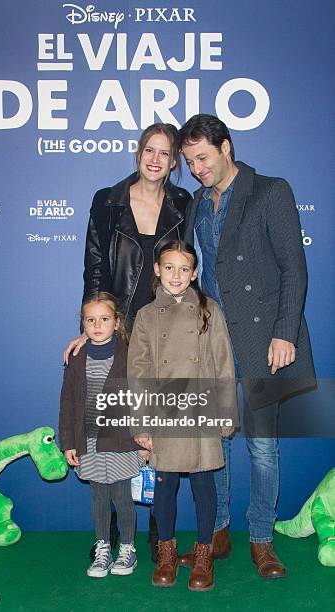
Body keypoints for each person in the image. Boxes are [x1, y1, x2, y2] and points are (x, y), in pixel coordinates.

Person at [180, 113, 316, 578]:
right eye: (190, 161)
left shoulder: (271, 191)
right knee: (215, 441)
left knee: (262, 447)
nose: (197, 168)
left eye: (202, 158)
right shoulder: (197, 203)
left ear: (226, 147)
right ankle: (217, 533)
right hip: (214, 342)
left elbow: (294, 270)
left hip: (263, 340)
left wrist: (285, 331)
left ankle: (261, 539)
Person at [64, 123, 192, 560]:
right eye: (149, 150)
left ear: (175, 161)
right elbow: (94, 265)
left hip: (164, 328)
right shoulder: (107, 200)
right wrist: (91, 325)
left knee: (160, 432)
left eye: (165, 153)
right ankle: (114, 537)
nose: (156, 159)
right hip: (119, 332)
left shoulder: (183, 203)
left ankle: (161, 537)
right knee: (114, 431)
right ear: (137, 154)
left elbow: (187, 267)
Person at [128, 240, 237, 591]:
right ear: (157, 270)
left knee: (205, 483)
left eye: (184, 269)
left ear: (194, 274)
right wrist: (141, 422)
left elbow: (223, 364)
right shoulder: (145, 316)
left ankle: (204, 554)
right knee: (166, 484)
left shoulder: (210, 309)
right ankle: (167, 552)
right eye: (169, 267)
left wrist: (226, 412)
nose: (176, 275)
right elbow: (139, 372)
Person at [59, 291, 146, 578]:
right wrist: (68, 443)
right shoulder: (75, 357)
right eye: (90, 320)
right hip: (90, 442)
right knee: (98, 497)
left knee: (122, 497)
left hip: (122, 440)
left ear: (117, 322)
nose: (97, 325)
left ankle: (128, 549)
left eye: (104, 319)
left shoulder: (130, 353)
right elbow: (68, 402)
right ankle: (103, 548)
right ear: (82, 324)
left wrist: (146, 439)